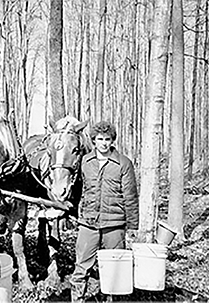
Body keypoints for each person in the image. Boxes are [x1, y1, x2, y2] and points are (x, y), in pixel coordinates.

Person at [70, 121, 139, 302]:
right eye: (100, 139)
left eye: (107, 139)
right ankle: (77, 299)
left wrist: (131, 226)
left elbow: (130, 195)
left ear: (112, 140)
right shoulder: (85, 161)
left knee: (114, 269)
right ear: (93, 140)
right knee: (81, 266)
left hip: (114, 225)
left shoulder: (123, 163)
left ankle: (111, 299)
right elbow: (79, 189)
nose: (104, 143)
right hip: (88, 223)